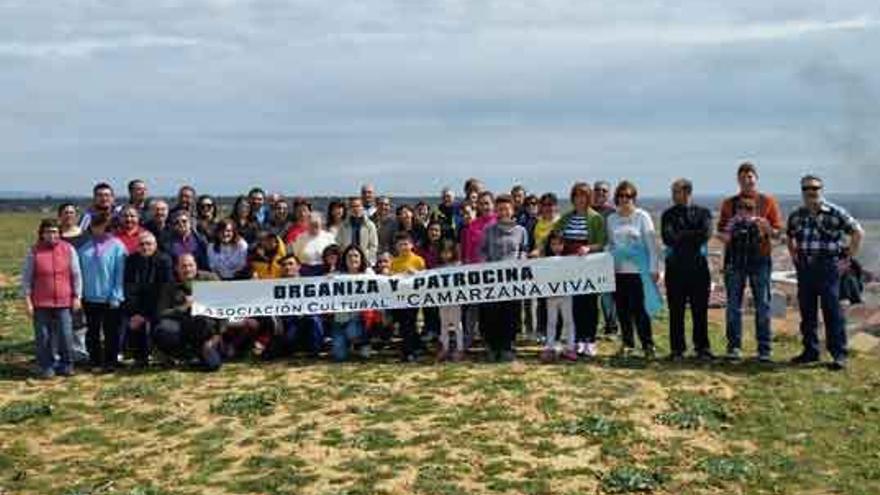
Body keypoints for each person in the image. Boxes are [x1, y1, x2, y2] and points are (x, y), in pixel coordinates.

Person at [787, 174, 864, 370]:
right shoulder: (797, 214)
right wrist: (795, 257)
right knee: (807, 311)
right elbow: (790, 236)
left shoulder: (835, 212)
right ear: (802, 192)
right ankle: (810, 351)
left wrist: (847, 260)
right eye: (806, 189)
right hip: (806, 268)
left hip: (829, 267)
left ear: (821, 190)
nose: (811, 192)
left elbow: (858, 232)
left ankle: (839, 354)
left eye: (815, 188)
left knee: (832, 312)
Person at [717, 162, 783, 361]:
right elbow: (720, 230)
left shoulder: (768, 202)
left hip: (760, 259)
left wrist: (768, 229)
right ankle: (734, 347)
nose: (747, 180)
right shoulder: (729, 204)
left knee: (762, 304)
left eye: (751, 176)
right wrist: (726, 235)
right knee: (733, 305)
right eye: (743, 176)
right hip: (735, 260)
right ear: (738, 180)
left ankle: (764, 349)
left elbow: (778, 231)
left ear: (756, 178)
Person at [21, 219, 82, 378]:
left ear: (59, 233)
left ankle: (67, 364)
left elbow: (76, 275)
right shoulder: (34, 251)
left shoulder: (68, 249)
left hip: (64, 301)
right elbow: (27, 279)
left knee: (66, 334)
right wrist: (27, 301)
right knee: (43, 336)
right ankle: (46, 366)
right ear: (42, 234)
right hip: (41, 302)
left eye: (55, 231)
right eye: (48, 232)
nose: (51, 235)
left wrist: (77, 296)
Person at [607, 181, 662, 359]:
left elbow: (651, 245)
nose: (624, 199)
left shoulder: (642, 216)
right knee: (622, 310)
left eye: (628, 196)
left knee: (640, 310)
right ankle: (628, 344)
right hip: (618, 272)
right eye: (621, 196)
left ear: (634, 198)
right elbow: (610, 244)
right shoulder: (611, 219)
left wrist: (655, 269)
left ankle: (648, 345)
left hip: (639, 272)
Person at [661, 179, 713, 361]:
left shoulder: (703, 213)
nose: (673, 195)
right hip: (675, 269)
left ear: (687, 192)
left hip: (699, 269)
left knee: (700, 311)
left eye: (676, 191)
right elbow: (668, 238)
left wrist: (681, 235)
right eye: (672, 191)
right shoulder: (668, 214)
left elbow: (705, 235)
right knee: (676, 311)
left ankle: (702, 348)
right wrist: (692, 235)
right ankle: (677, 349)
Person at [554, 182, 606, 356]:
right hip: (570, 265)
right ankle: (576, 339)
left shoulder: (596, 218)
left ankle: (589, 340)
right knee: (574, 303)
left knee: (589, 303)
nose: (580, 199)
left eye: (583, 196)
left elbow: (602, 243)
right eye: (577, 196)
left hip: (589, 264)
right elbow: (555, 235)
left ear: (589, 198)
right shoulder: (567, 217)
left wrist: (589, 248)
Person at [152, 254, 225, 371]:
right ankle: (180, 355)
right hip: (181, 329)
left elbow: (224, 306)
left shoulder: (211, 279)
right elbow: (161, 312)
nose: (187, 269)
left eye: (190, 265)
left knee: (213, 365)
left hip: (205, 332)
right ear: (177, 268)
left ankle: (199, 355)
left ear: (196, 265)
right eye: (183, 266)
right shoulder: (169, 285)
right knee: (163, 329)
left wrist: (217, 335)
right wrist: (184, 307)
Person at [479, 194, 529, 362]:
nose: (503, 211)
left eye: (506, 208)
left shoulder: (521, 230)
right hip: (493, 280)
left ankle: (507, 346)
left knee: (511, 313)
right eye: (500, 208)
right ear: (496, 210)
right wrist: (487, 265)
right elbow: (483, 251)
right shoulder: (488, 230)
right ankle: (493, 347)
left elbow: (524, 250)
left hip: (514, 280)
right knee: (492, 314)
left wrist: (521, 261)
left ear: (512, 210)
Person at [78, 212, 127, 372]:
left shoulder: (118, 246)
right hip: (89, 297)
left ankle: (111, 361)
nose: (102, 229)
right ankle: (95, 361)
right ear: (91, 227)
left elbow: (120, 274)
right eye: (97, 226)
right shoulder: (84, 248)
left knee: (111, 331)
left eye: (106, 226)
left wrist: (116, 295)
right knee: (92, 331)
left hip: (110, 298)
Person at [123, 231, 173, 367]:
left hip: (160, 304)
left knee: (160, 324)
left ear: (155, 245)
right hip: (138, 304)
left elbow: (164, 290)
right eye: (142, 244)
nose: (145, 247)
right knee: (132, 321)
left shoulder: (164, 260)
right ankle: (140, 357)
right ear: (137, 246)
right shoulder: (131, 261)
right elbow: (129, 288)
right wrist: (136, 313)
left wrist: (147, 315)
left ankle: (163, 356)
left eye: (149, 244)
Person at [264, 254, 325, 358]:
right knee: (287, 339)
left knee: (314, 320)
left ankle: (316, 351)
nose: (287, 267)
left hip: (308, 320)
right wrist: (276, 320)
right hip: (289, 323)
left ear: (298, 266)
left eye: (291, 264)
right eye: (284, 265)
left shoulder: (310, 283)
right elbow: (270, 306)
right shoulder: (276, 286)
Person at [460, 191, 496, 348]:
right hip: (474, 273)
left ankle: (489, 340)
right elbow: (467, 252)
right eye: (481, 203)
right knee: (471, 309)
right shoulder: (472, 225)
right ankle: (467, 339)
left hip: (495, 274)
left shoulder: (500, 222)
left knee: (491, 310)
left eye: (487, 203)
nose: (485, 206)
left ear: (493, 204)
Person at [330, 244, 374, 361]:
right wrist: (326, 279)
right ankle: (347, 343)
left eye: (356, 256)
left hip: (360, 317)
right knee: (339, 357)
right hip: (340, 319)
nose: (353, 259)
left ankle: (363, 343)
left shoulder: (368, 273)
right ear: (344, 259)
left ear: (361, 258)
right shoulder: (337, 275)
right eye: (349, 256)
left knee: (352, 331)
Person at [539, 231, 577, 363]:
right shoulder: (544, 259)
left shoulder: (570, 259)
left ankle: (570, 347)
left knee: (568, 321)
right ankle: (550, 346)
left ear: (564, 244)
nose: (556, 247)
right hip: (551, 295)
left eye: (559, 244)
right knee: (551, 321)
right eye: (553, 244)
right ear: (549, 245)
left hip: (566, 294)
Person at [390, 232, 426, 362]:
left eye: (406, 244)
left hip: (413, 298)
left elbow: (425, 278)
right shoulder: (393, 262)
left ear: (411, 245)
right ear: (396, 247)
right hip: (398, 299)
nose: (403, 247)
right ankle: (418, 346)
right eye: (400, 245)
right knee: (404, 324)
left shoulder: (418, 260)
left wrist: (415, 273)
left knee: (409, 323)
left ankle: (408, 352)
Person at [592, 180, 619, 338]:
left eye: (604, 191)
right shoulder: (587, 211)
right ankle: (591, 326)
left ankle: (611, 327)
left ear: (609, 194)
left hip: (608, 259)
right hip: (589, 260)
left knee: (608, 296)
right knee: (590, 297)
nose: (600, 193)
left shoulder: (614, 213)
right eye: (598, 190)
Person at [434, 239, 464, 362]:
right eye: (443, 252)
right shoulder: (438, 267)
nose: (446, 255)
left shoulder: (458, 265)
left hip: (455, 298)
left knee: (457, 324)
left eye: (448, 252)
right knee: (444, 324)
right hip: (443, 299)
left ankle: (460, 349)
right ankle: (445, 348)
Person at [290, 212, 337, 276]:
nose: (314, 226)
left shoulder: (329, 237)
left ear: (321, 224)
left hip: (324, 271)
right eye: (312, 224)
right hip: (305, 271)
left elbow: (335, 255)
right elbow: (295, 256)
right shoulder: (300, 238)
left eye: (317, 224)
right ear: (307, 224)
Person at [336, 196, 379, 266]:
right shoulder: (343, 226)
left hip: (366, 261)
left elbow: (373, 245)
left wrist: (366, 258)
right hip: (347, 261)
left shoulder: (370, 225)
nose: (355, 209)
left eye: (358, 206)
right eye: (352, 207)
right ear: (349, 209)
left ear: (362, 207)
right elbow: (339, 244)